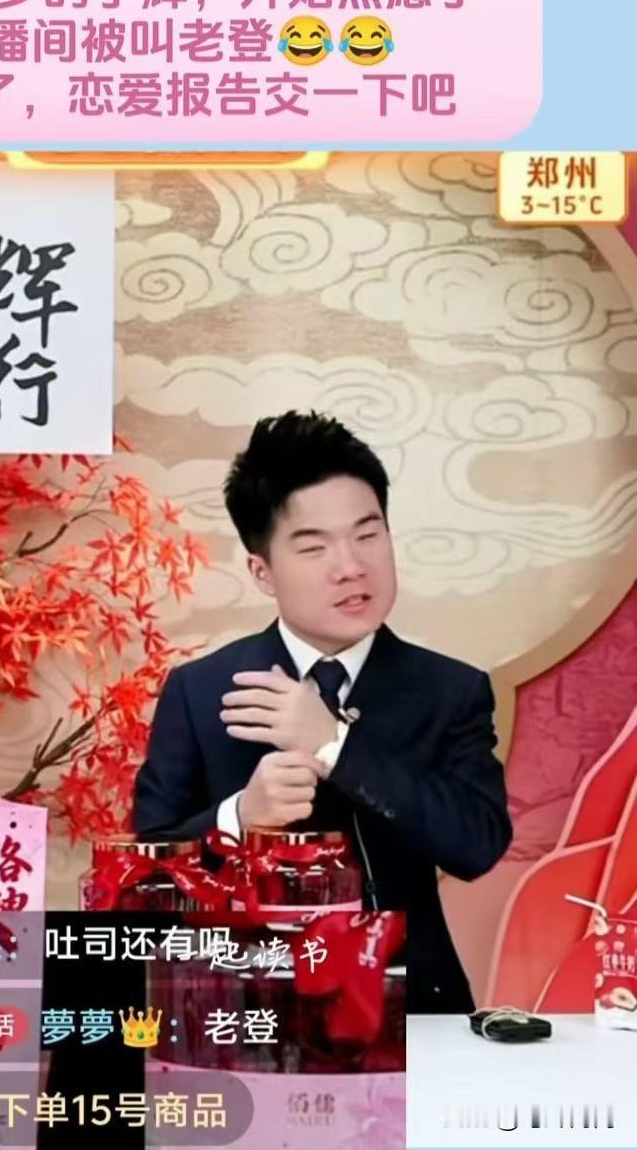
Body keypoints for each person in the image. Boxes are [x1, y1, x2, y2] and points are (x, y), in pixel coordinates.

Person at [132, 410, 512, 1013]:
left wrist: (335, 745)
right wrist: (240, 815)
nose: (351, 566)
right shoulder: (200, 690)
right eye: (314, 547)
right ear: (262, 571)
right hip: (247, 1012)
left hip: (413, 1009)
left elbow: (477, 844)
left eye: (368, 534)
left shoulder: (450, 689)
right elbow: (145, 875)